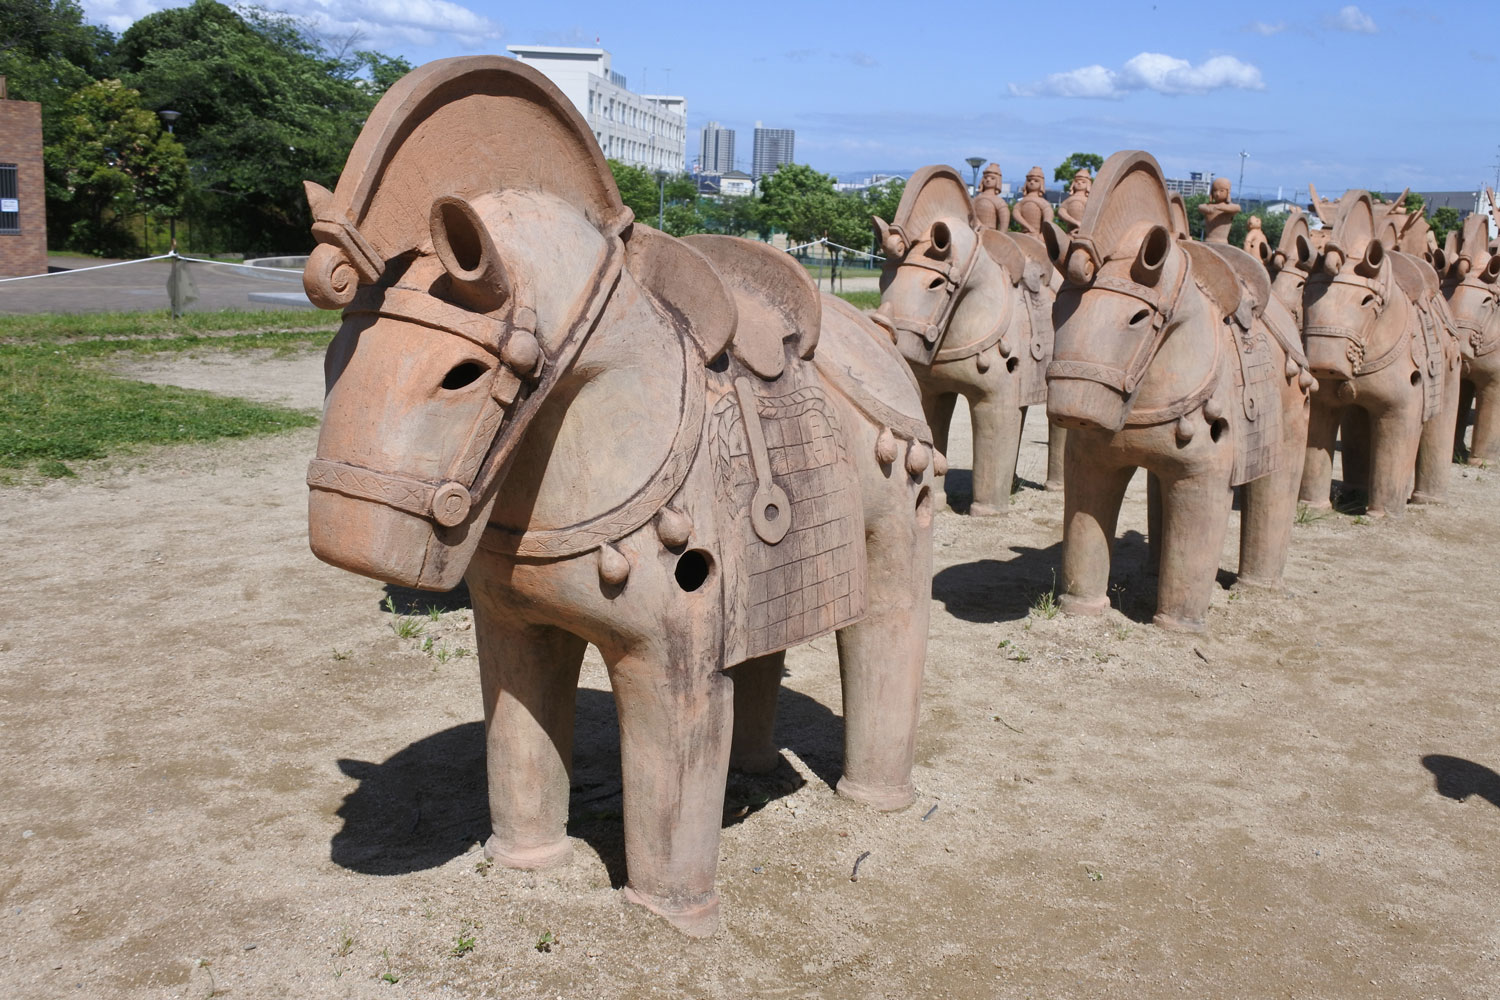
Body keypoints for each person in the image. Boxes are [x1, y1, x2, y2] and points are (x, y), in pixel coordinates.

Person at [1198, 176, 1240, 244]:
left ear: (1228, 192)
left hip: (1223, 242)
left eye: (1221, 191)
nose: (1217, 194)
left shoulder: (1229, 207)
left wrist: (1219, 208)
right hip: (1208, 241)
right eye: (1215, 191)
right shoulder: (1209, 206)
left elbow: (1237, 208)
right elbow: (1200, 207)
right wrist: (1209, 209)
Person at [1013, 166, 1052, 235]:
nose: (1032, 182)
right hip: (1023, 233)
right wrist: (1028, 227)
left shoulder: (1043, 203)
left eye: (1036, 181)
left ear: (1041, 183)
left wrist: (1043, 234)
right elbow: (1015, 213)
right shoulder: (1022, 202)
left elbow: (1048, 218)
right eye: (1029, 180)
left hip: (1037, 235)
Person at [973, 163, 1010, 232]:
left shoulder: (999, 201)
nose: (988, 180)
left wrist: (1001, 235)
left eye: (992, 178)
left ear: (998, 181)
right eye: (986, 178)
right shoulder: (976, 199)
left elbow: (1004, 223)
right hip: (974, 230)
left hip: (991, 233)